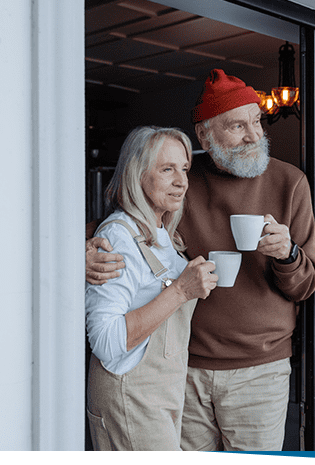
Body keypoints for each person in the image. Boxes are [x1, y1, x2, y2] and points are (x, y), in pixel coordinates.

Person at [86, 70, 315, 451]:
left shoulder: (290, 183)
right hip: (184, 370)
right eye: (237, 125)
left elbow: (306, 285)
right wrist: (80, 252)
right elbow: (123, 222)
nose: (254, 135)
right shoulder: (182, 182)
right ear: (205, 136)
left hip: (259, 372)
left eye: (257, 120)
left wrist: (287, 254)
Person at [85, 126, 218, 451]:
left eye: (184, 169)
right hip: (131, 397)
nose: (181, 181)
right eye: (167, 169)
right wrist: (181, 291)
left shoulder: (163, 235)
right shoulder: (118, 237)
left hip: (160, 394)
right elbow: (106, 341)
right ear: (136, 174)